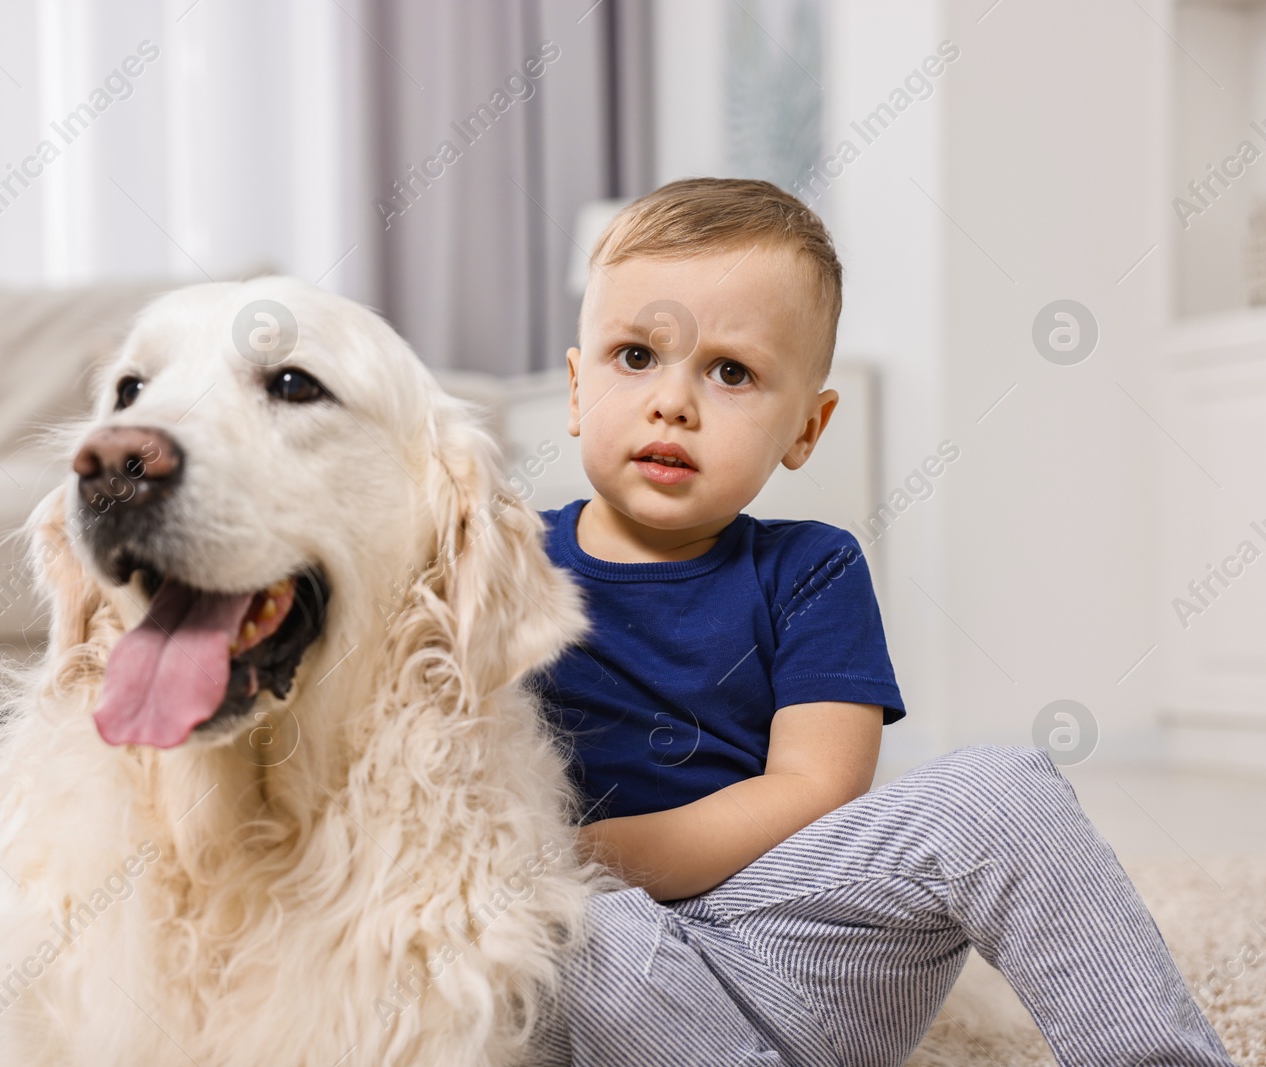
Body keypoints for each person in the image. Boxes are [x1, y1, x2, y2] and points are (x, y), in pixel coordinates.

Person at [524, 178, 1235, 1066]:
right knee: (563, 919)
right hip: (601, 987)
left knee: (1000, 786)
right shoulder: (508, 562)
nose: (674, 401)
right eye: (635, 357)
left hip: (790, 942)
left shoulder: (810, 567)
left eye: (731, 371)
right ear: (576, 387)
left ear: (805, 429)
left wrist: (586, 852)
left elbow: (816, 790)